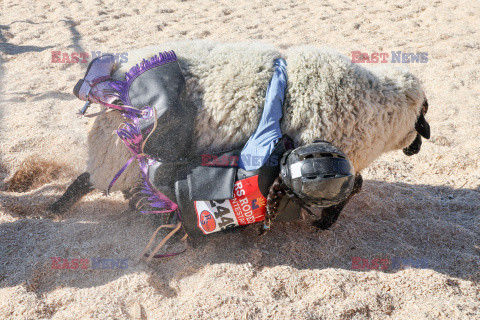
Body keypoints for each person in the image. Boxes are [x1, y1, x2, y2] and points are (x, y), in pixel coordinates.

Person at [73, 51, 356, 258]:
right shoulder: (289, 210)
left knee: (170, 120)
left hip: (161, 187)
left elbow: (273, 107)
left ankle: (102, 90)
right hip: (184, 227)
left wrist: (280, 67)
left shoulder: (263, 157)